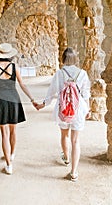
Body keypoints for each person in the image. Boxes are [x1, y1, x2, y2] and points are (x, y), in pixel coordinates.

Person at [36, 47, 91, 182]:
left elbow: (51, 92)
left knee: (64, 135)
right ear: (75, 59)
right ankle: (74, 172)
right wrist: (88, 109)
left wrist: (43, 104)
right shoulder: (83, 73)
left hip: (63, 110)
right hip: (78, 110)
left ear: (63, 58)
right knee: (76, 140)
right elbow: (85, 94)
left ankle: (66, 158)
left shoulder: (59, 73)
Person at [0, 43, 37, 175]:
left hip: (1, 100)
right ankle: (11, 154)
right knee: (13, 131)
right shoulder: (14, 67)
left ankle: (9, 165)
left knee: (4, 134)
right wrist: (32, 99)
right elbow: (22, 84)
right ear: (10, 55)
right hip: (14, 99)